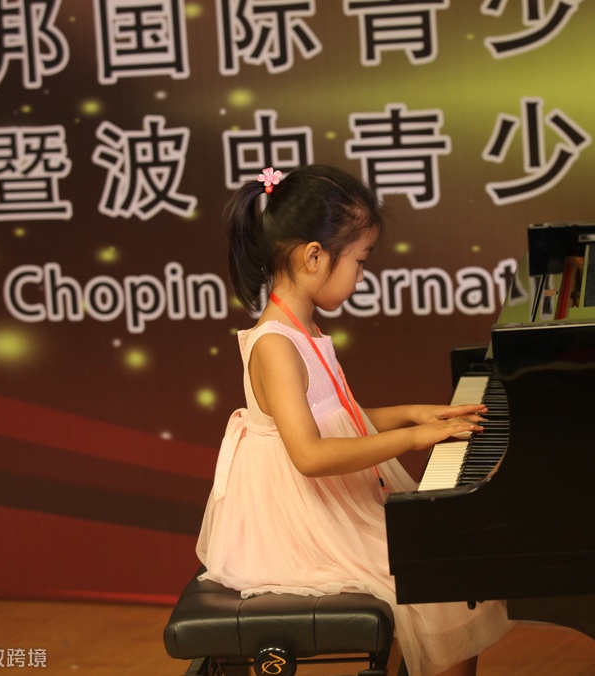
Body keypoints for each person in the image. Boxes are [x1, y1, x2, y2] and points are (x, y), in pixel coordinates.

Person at [196, 165, 514, 676]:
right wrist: (413, 438)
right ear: (314, 256)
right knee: (440, 581)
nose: (362, 276)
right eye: (360, 261)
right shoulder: (276, 344)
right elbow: (310, 454)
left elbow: (336, 419)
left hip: (328, 503)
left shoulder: (302, 326)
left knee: (446, 565)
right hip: (298, 522)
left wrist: (412, 414)